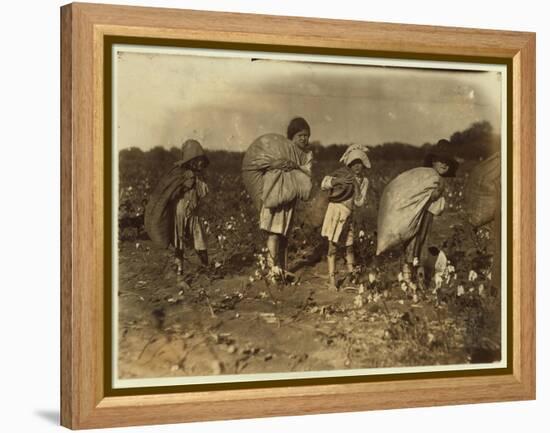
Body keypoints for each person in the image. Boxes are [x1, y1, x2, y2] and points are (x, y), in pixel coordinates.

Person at [259, 117, 313, 280]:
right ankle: (272, 270)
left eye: (306, 135)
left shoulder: (306, 155)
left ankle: (280, 269)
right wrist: (279, 164)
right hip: (275, 196)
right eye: (300, 135)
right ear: (292, 137)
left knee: (284, 236)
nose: (304, 139)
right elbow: (266, 164)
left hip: (289, 200)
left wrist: (295, 166)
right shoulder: (281, 149)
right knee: (273, 234)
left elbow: (308, 172)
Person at [320, 144, 370, 290]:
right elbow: (324, 184)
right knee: (333, 246)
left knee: (349, 246)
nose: (357, 167)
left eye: (359, 163)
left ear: (363, 164)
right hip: (336, 212)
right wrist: (337, 182)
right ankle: (332, 280)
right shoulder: (342, 174)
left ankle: (351, 276)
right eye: (354, 163)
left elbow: (359, 202)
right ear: (349, 164)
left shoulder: (364, 181)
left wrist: (357, 188)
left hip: (349, 215)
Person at [403, 150, 458, 265]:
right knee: (417, 235)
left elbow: (433, 195)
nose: (444, 165)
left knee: (421, 235)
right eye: (441, 161)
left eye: (447, 163)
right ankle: (413, 260)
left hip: (427, 210)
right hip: (421, 209)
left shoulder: (439, 179)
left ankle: (415, 260)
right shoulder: (429, 175)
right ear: (433, 162)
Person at [171, 139, 210, 275]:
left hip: (192, 212)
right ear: (192, 161)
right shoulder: (183, 175)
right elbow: (174, 192)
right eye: (198, 160)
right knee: (180, 239)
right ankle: (180, 268)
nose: (201, 163)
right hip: (181, 210)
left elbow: (202, 194)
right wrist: (186, 184)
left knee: (198, 239)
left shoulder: (197, 176)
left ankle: (205, 266)